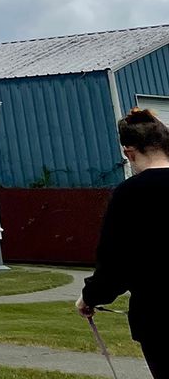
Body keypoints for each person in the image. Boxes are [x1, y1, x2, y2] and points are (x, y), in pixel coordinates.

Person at [77, 107, 169, 376]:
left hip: (160, 318)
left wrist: (90, 297)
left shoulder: (129, 194)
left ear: (129, 152)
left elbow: (115, 261)